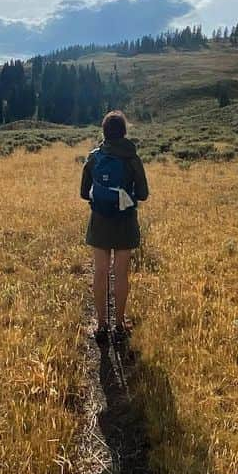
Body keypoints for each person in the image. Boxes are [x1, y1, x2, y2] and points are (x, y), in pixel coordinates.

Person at [80, 110, 149, 342]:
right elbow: (144, 194)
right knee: (120, 273)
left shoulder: (94, 157)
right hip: (125, 220)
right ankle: (119, 324)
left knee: (100, 272)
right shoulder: (132, 158)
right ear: (124, 131)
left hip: (100, 220)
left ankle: (101, 325)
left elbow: (82, 193)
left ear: (104, 132)